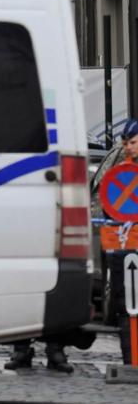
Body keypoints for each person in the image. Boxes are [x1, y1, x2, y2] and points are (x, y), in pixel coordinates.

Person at [98, 118, 138, 364]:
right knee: (126, 305)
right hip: (123, 244)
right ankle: (130, 361)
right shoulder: (119, 168)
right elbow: (107, 204)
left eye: (133, 142)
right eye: (127, 143)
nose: (129, 147)